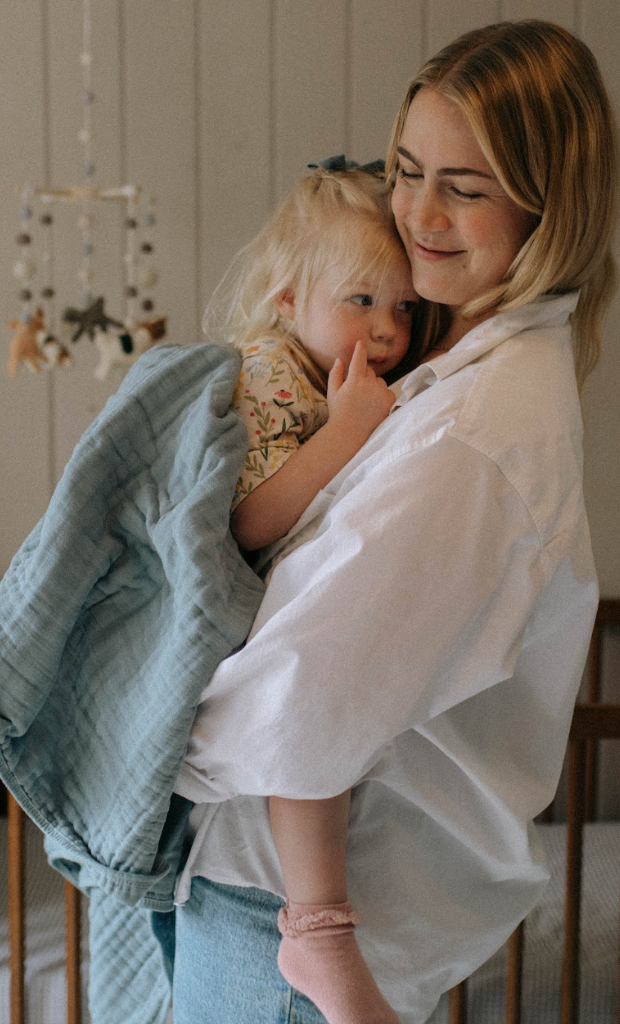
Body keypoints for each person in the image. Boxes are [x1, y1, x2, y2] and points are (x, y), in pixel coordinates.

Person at [168, 19, 620, 1024]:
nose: (417, 213)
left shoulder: (478, 432)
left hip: (281, 919)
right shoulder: (440, 373)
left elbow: (304, 692)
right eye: (407, 172)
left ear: (548, 203)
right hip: (277, 896)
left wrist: (158, 746)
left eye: (464, 188)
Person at [207, 163, 422, 1024]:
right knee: (307, 727)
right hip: (252, 623)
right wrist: (349, 432)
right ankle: (318, 926)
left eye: (404, 307)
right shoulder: (269, 371)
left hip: (289, 617)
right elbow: (252, 519)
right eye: (361, 301)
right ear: (289, 300)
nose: (387, 328)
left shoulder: (330, 371)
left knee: (324, 727)